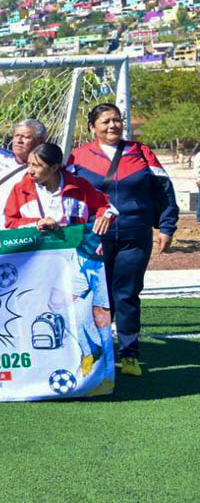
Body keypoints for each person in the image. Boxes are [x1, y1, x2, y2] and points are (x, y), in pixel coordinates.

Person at [67, 103, 179, 376]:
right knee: (94, 297)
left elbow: (164, 190)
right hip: (93, 239)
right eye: (105, 121)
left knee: (127, 294)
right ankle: (96, 355)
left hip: (135, 236)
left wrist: (167, 226)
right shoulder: (77, 157)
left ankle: (129, 354)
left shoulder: (141, 152)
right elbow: (64, 193)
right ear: (92, 127)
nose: (113, 125)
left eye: (116, 120)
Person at [6, 143, 115, 234]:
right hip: (36, 250)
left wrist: (105, 217)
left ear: (54, 168)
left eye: (36, 165)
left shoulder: (79, 186)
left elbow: (106, 206)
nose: (30, 171)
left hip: (73, 249)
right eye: (29, 164)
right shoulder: (20, 190)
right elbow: (10, 222)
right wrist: (37, 223)